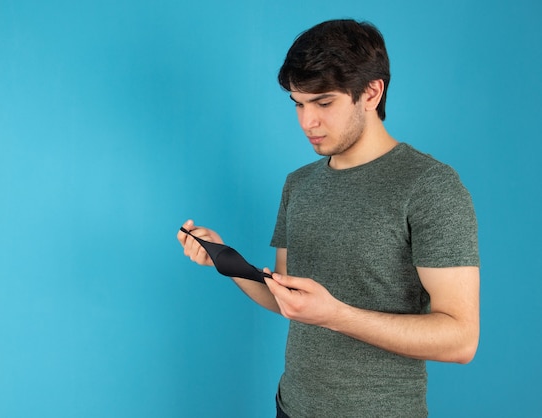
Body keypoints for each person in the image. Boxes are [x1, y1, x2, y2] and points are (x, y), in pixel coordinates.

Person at [177, 19, 479, 417]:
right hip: (292, 406)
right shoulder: (299, 184)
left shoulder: (429, 186)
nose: (307, 122)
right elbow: (289, 300)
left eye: (323, 103)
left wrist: (337, 316)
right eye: (298, 104)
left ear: (371, 93)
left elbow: (460, 339)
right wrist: (225, 259)